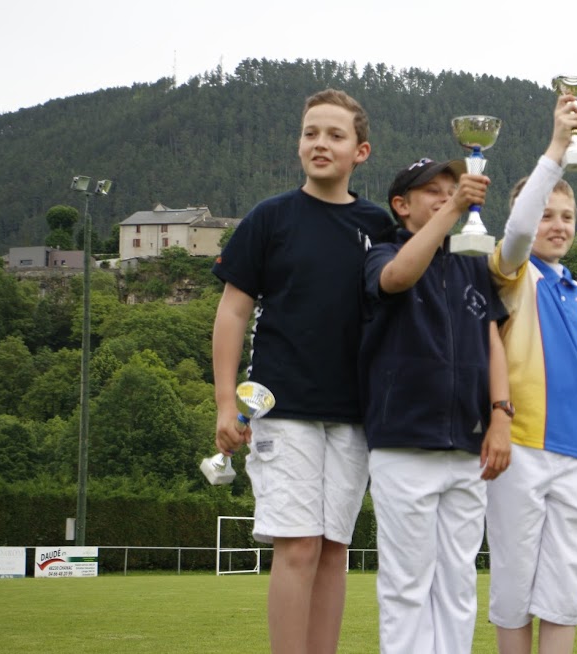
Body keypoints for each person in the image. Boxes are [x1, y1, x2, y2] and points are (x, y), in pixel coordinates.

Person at [211, 88, 394, 654]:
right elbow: (233, 309)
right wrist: (223, 402)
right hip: (280, 407)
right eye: (311, 132)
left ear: (360, 151)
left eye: (335, 135)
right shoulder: (270, 218)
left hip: (354, 413)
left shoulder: (379, 226)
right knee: (296, 547)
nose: (321, 143)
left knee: (334, 548)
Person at [358, 157, 512, 654]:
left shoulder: (471, 261)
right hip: (404, 447)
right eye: (434, 191)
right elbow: (398, 278)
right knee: (406, 587)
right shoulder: (383, 251)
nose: (447, 195)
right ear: (401, 206)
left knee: (458, 587)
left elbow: (493, 341)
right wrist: (456, 209)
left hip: (468, 450)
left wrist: (501, 417)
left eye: (454, 187)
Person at [486, 94, 577, 654]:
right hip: (518, 446)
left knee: (566, 593)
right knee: (515, 589)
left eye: (566, 216)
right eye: (546, 213)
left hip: (574, 455)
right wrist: (558, 149)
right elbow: (517, 231)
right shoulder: (512, 271)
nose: (557, 225)